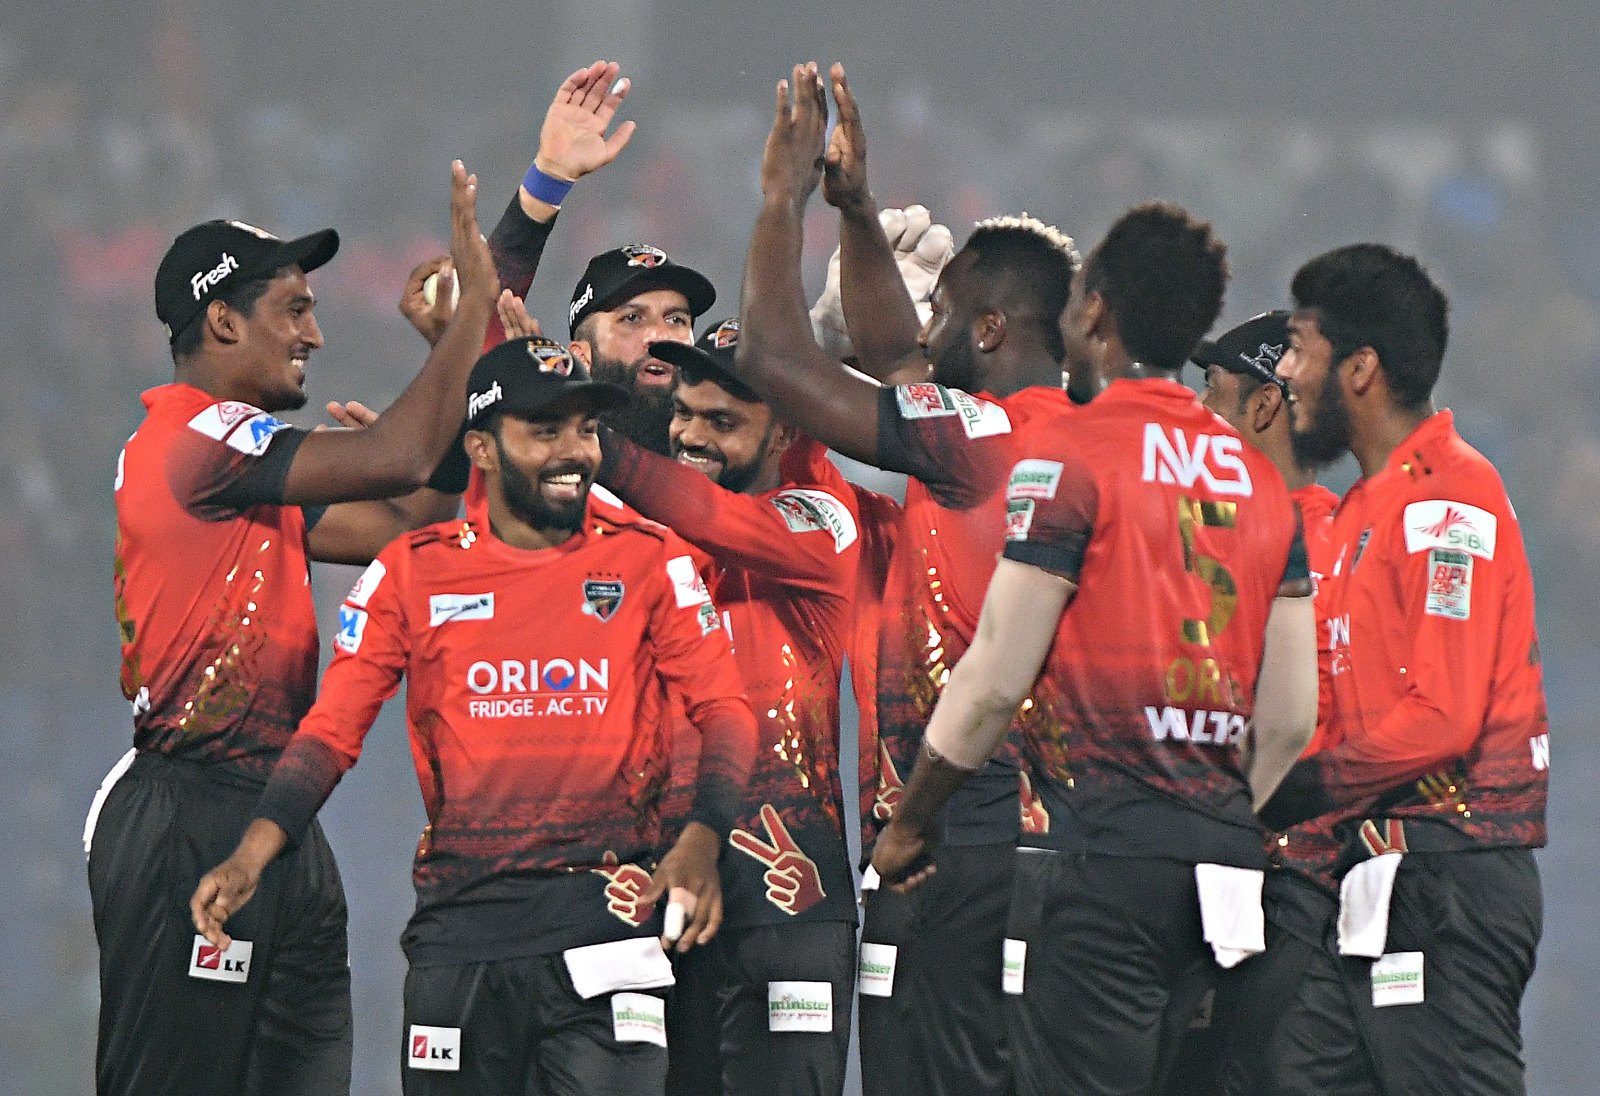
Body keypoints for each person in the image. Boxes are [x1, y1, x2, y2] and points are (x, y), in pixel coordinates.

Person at [192, 336, 759, 1096]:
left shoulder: (652, 560)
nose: (575, 452)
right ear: (482, 450)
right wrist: (250, 856)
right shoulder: (412, 571)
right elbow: (332, 730)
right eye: (546, 430)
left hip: (608, 924)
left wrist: (703, 835)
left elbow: (726, 711)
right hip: (461, 936)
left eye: (587, 429)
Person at [871, 202, 1320, 1096]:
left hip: (1100, 856)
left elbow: (994, 678)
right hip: (1223, 865)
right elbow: (1290, 720)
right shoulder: (1260, 480)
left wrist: (913, 817)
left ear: (1097, 312)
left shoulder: (1071, 451)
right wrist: (1221, 818)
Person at [88, 160, 497, 1096]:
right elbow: (399, 453)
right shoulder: (195, 440)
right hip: (189, 810)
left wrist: (452, 355)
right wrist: (471, 312)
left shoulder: (239, 471)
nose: (314, 333)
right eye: (294, 310)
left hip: (276, 817)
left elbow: (409, 526)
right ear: (223, 322)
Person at [736, 62, 1079, 1096]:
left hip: (955, 828)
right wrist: (855, 211)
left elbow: (775, 361)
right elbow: (898, 360)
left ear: (989, 332)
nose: (924, 330)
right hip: (1047, 831)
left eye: (947, 314)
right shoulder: (1063, 434)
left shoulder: (980, 440)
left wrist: (782, 200)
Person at [1254, 244, 1548, 1096]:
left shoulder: (1449, 498)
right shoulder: (1360, 512)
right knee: (1286, 1075)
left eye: (1300, 349)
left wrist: (1290, 790)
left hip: (1448, 876)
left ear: (1360, 369)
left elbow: (1442, 716)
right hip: (1373, 877)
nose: (1287, 373)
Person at [578, 315, 861, 1095]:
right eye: (683, 413)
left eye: (723, 422)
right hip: (658, 889)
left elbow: (712, 515)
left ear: (784, 435)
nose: (692, 436)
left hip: (789, 901)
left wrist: (593, 443)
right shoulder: (642, 538)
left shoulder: (822, 519)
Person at [1173, 311, 1345, 1096]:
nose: (1196, 410)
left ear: (1265, 405)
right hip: (1287, 897)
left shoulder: (1230, 539)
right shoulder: (1353, 538)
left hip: (1263, 897)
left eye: (1212, 389)